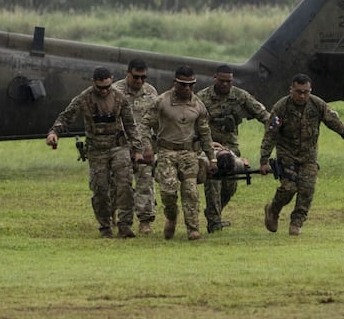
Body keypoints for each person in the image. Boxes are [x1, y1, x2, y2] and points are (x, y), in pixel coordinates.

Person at [46, 67, 143, 239]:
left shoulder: (119, 98)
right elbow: (66, 117)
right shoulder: (84, 98)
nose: (105, 91)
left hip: (118, 146)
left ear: (112, 81)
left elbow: (130, 125)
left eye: (108, 87)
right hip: (97, 150)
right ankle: (105, 225)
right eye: (101, 88)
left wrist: (137, 150)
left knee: (125, 185)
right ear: (93, 83)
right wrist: (54, 132)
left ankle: (125, 225)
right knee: (100, 189)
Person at [259, 73, 344, 236]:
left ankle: (296, 222)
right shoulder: (281, 107)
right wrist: (264, 160)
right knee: (289, 188)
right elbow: (271, 135)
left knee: (307, 189)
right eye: (298, 91)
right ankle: (273, 209)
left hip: (308, 156)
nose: (302, 95)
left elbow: (335, 122)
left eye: (306, 92)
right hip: (287, 155)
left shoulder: (317, 104)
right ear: (291, 90)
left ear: (310, 90)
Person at [139, 65, 217, 241]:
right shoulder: (161, 102)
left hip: (189, 153)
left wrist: (212, 158)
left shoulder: (198, 105)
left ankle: (193, 228)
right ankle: (171, 216)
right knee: (168, 191)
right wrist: (147, 148)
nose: (187, 88)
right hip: (166, 152)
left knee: (191, 191)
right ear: (175, 83)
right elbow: (144, 125)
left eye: (191, 84)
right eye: (183, 84)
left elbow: (205, 133)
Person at [197, 64, 270, 233]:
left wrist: (274, 125)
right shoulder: (202, 98)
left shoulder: (240, 96)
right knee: (214, 179)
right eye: (222, 81)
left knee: (230, 185)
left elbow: (262, 113)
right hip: (209, 148)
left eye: (228, 81)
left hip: (231, 148)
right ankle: (214, 223)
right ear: (215, 78)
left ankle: (213, 212)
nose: (225, 85)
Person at [111, 58, 159, 235]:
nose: (139, 81)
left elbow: (156, 120)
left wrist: (153, 147)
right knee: (118, 184)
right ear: (127, 74)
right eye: (136, 77)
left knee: (145, 182)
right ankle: (116, 216)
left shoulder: (151, 92)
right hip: (121, 145)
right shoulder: (116, 92)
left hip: (145, 145)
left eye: (143, 78)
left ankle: (145, 221)